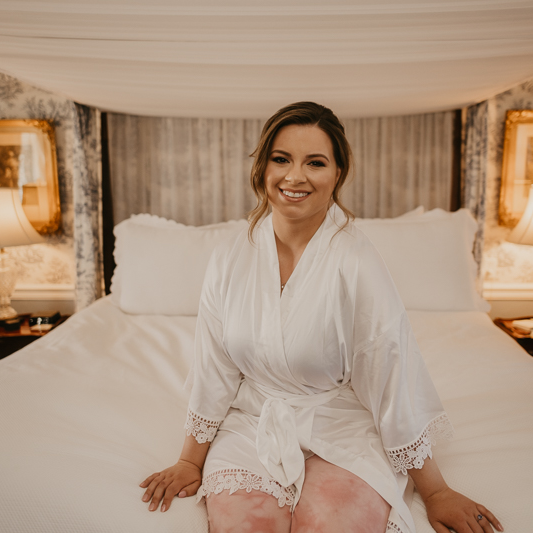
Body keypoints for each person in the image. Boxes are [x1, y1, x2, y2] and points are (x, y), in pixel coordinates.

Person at [140, 102, 503, 533]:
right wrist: (189, 459)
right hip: (253, 423)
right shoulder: (230, 255)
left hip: (341, 423)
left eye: (315, 162)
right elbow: (214, 368)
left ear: (337, 175)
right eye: (281, 159)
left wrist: (437, 490)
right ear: (262, 168)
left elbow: (389, 370)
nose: (295, 176)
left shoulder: (356, 260)